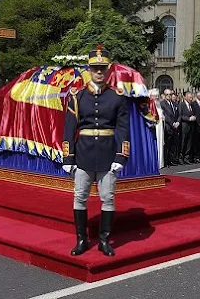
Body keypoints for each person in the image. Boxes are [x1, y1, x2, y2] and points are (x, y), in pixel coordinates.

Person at [62, 45, 130, 257]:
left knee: (108, 198)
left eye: (102, 68)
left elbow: (122, 127)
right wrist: (68, 156)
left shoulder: (117, 96)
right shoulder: (77, 96)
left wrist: (121, 155)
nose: (99, 72)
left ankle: (104, 240)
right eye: (95, 68)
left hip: (108, 154)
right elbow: (70, 127)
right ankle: (82, 239)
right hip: (83, 154)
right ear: (88, 70)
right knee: (80, 197)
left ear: (108, 69)